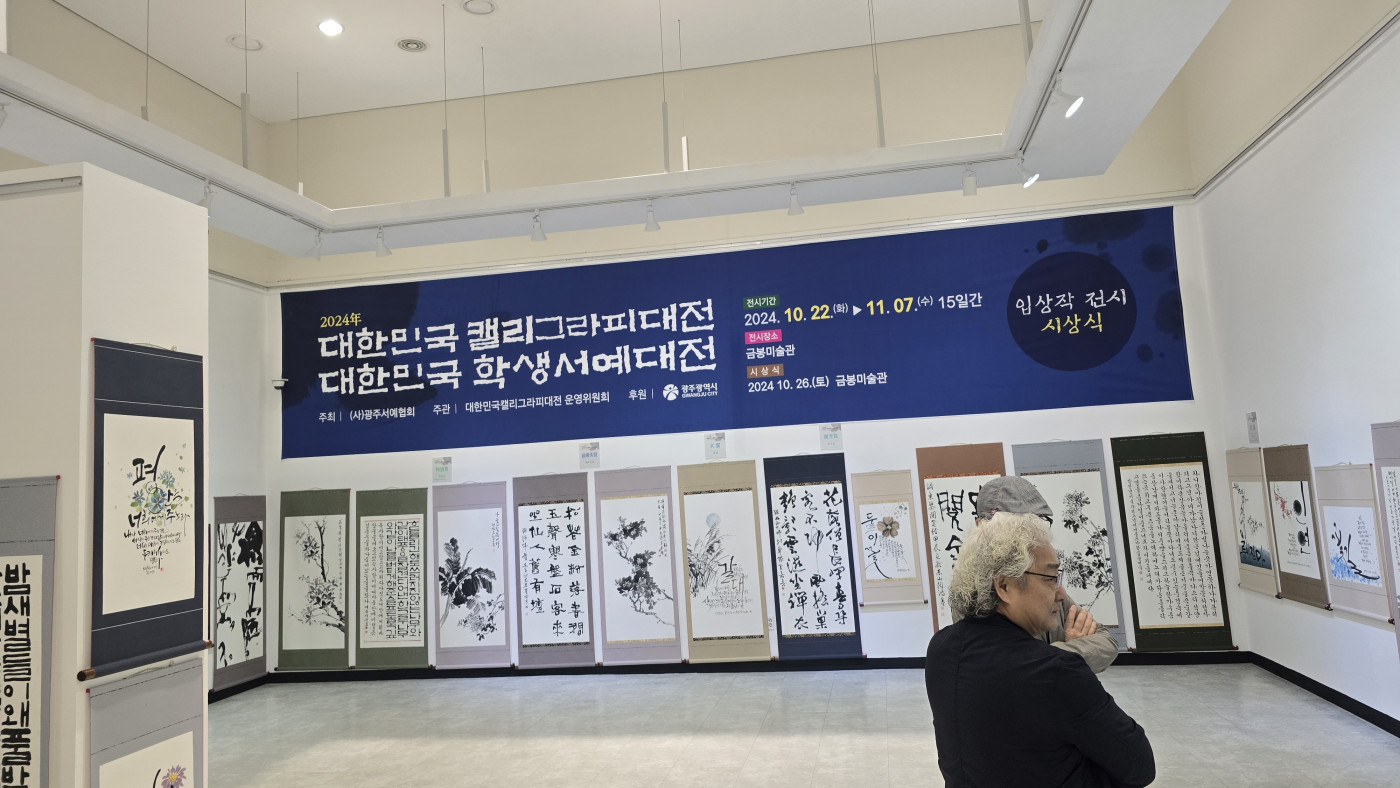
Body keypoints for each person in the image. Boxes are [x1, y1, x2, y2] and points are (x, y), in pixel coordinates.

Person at [925, 513, 1154, 788]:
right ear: (1004, 586)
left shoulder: (941, 649)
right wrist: (1067, 659)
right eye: (1051, 578)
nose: (1061, 593)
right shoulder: (1057, 672)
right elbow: (1140, 766)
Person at [974, 475, 1119, 673]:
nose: (1027, 535)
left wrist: (1062, 652)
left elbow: (1106, 640)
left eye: (1034, 523)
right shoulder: (975, 599)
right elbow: (1003, 668)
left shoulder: (1051, 587)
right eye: (1015, 525)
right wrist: (1067, 654)